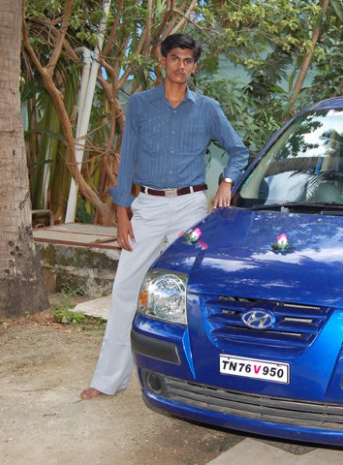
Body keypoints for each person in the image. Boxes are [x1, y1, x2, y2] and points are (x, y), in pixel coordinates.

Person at [80, 33, 249, 400]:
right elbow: (127, 160)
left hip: (190, 206)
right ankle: (107, 379)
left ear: (195, 66)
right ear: (163, 62)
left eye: (188, 61)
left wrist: (226, 183)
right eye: (175, 59)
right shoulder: (140, 105)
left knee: (188, 292)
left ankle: (192, 381)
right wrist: (123, 214)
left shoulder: (207, 108)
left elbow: (238, 151)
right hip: (148, 206)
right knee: (126, 288)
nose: (181, 66)